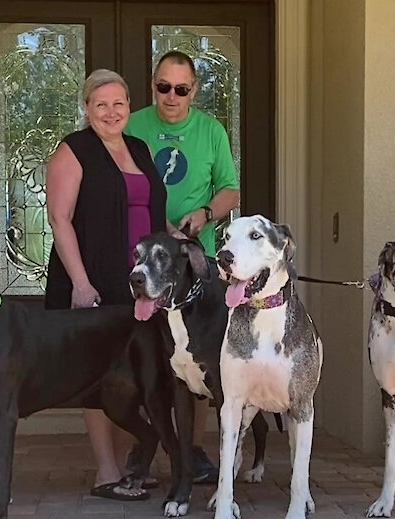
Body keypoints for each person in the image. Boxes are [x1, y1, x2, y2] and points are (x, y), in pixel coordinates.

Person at [45, 68, 171, 500]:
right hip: (96, 278)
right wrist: (80, 283)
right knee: (100, 375)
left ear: (130, 107)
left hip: (142, 282)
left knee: (135, 373)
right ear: (86, 109)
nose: (111, 112)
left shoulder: (137, 147)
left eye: (118, 104)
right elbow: (59, 219)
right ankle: (106, 472)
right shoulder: (73, 150)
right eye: (101, 104)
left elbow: (151, 209)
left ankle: (131, 465)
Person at [126, 50, 240, 482]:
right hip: (143, 257)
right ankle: (142, 447)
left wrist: (206, 214)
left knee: (199, 360)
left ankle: (191, 451)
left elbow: (231, 189)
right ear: (153, 85)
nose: (170, 97)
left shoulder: (211, 131)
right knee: (145, 358)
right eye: (162, 87)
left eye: (180, 89)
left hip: (196, 263)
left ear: (194, 90)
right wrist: (159, 223)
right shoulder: (133, 124)